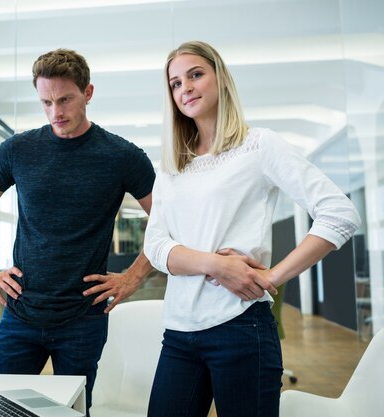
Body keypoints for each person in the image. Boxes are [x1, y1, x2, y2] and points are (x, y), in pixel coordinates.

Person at [143, 40, 361, 417]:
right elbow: (156, 246)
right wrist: (217, 264)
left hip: (240, 327)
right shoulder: (172, 165)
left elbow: (339, 214)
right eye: (175, 83)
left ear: (221, 79)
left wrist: (273, 276)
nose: (186, 88)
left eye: (195, 75)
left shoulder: (259, 145)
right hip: (179, 333)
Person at [0, 48, 156, 413]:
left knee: (71, 412)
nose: (56, 112)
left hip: (83, 319)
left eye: (65, 99)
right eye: (46, 102)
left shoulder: (123, 157)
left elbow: (167, 221)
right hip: (20, 314)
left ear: (88, 92)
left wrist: (133, 278)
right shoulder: (16, 150)